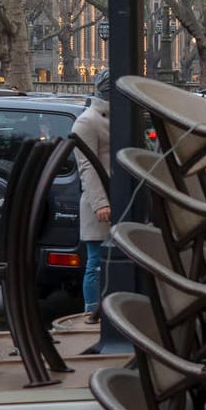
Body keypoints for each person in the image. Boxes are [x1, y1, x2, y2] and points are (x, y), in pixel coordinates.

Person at [72, 71, 115, 319]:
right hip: (100, 203)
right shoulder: (87, 121)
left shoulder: (119, 116)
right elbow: (86, 165)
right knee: (96, 260)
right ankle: (91, 311)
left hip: (118, 198)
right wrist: (100, 203)